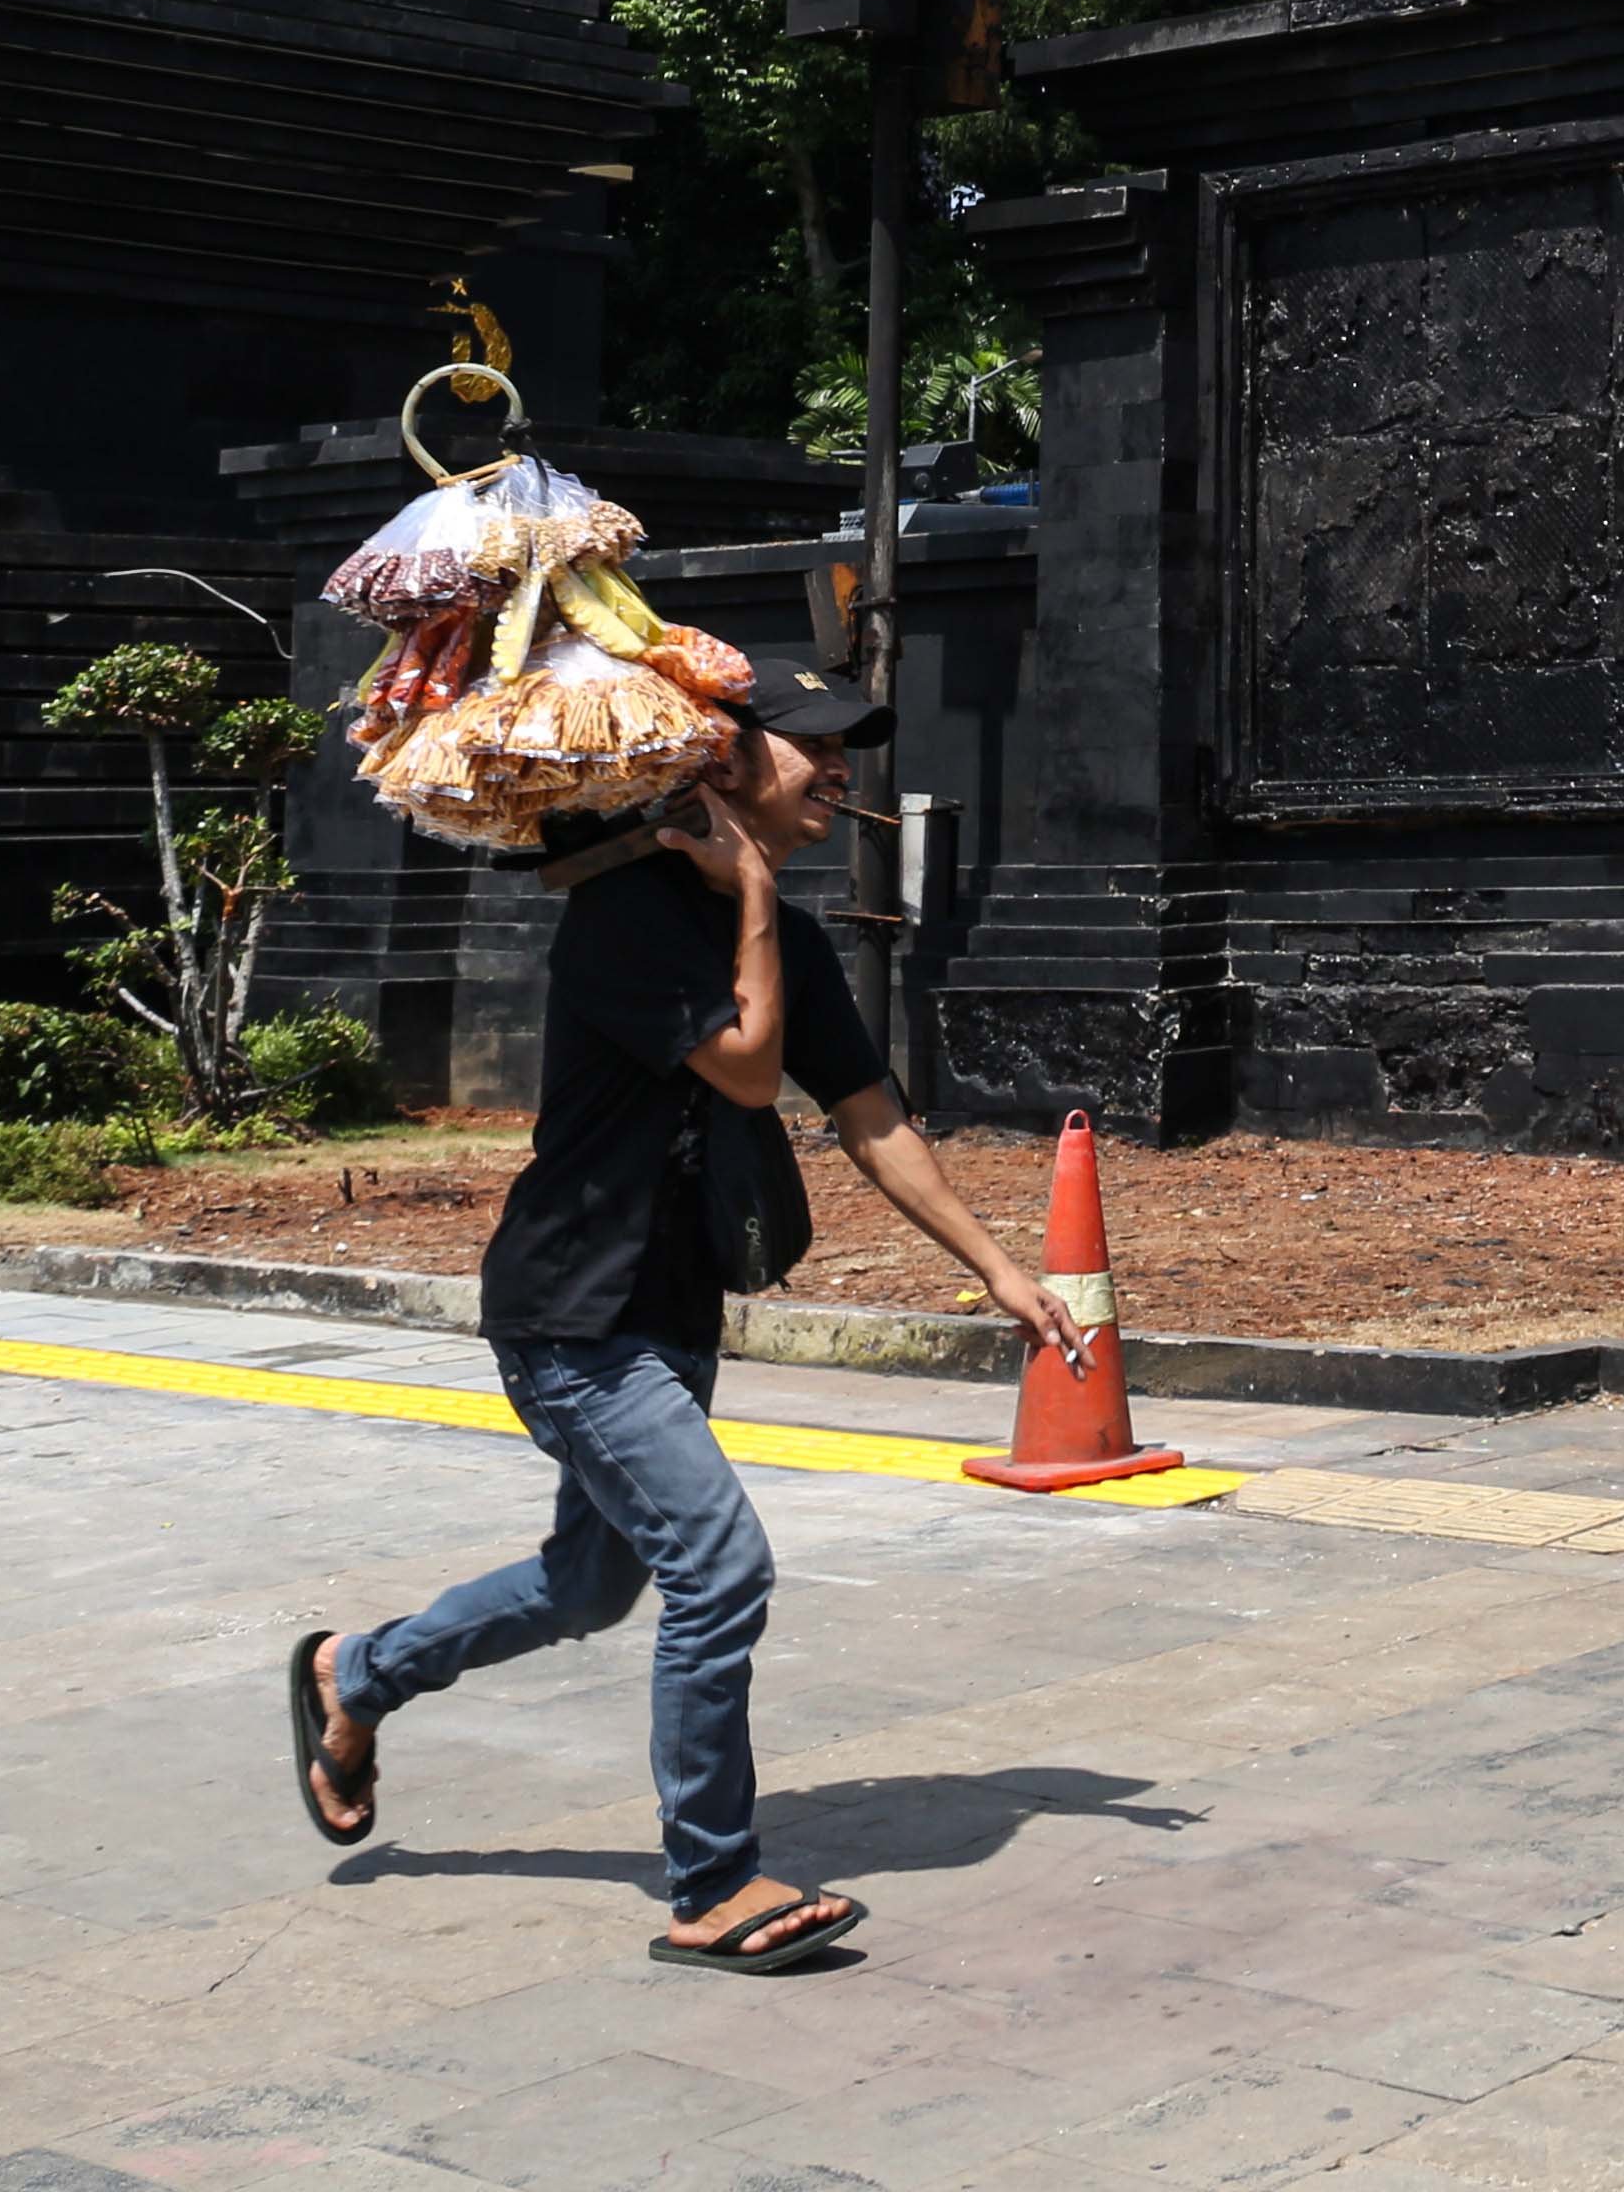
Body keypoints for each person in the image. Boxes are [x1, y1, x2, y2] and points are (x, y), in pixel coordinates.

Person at [281, 653, 1077, 1970]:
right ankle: (712, 1883)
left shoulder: (789, 942)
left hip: (668, 1309)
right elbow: (749, 1074)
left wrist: (998, 1267)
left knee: (587, 1586)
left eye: (849, 750)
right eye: (815, 745)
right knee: (718, 1566)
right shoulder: (627, 915)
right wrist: (753, 893)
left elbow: (871, 1119)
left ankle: (355, 1675)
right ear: (724, 763)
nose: (840, 770)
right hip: (573, 1311)